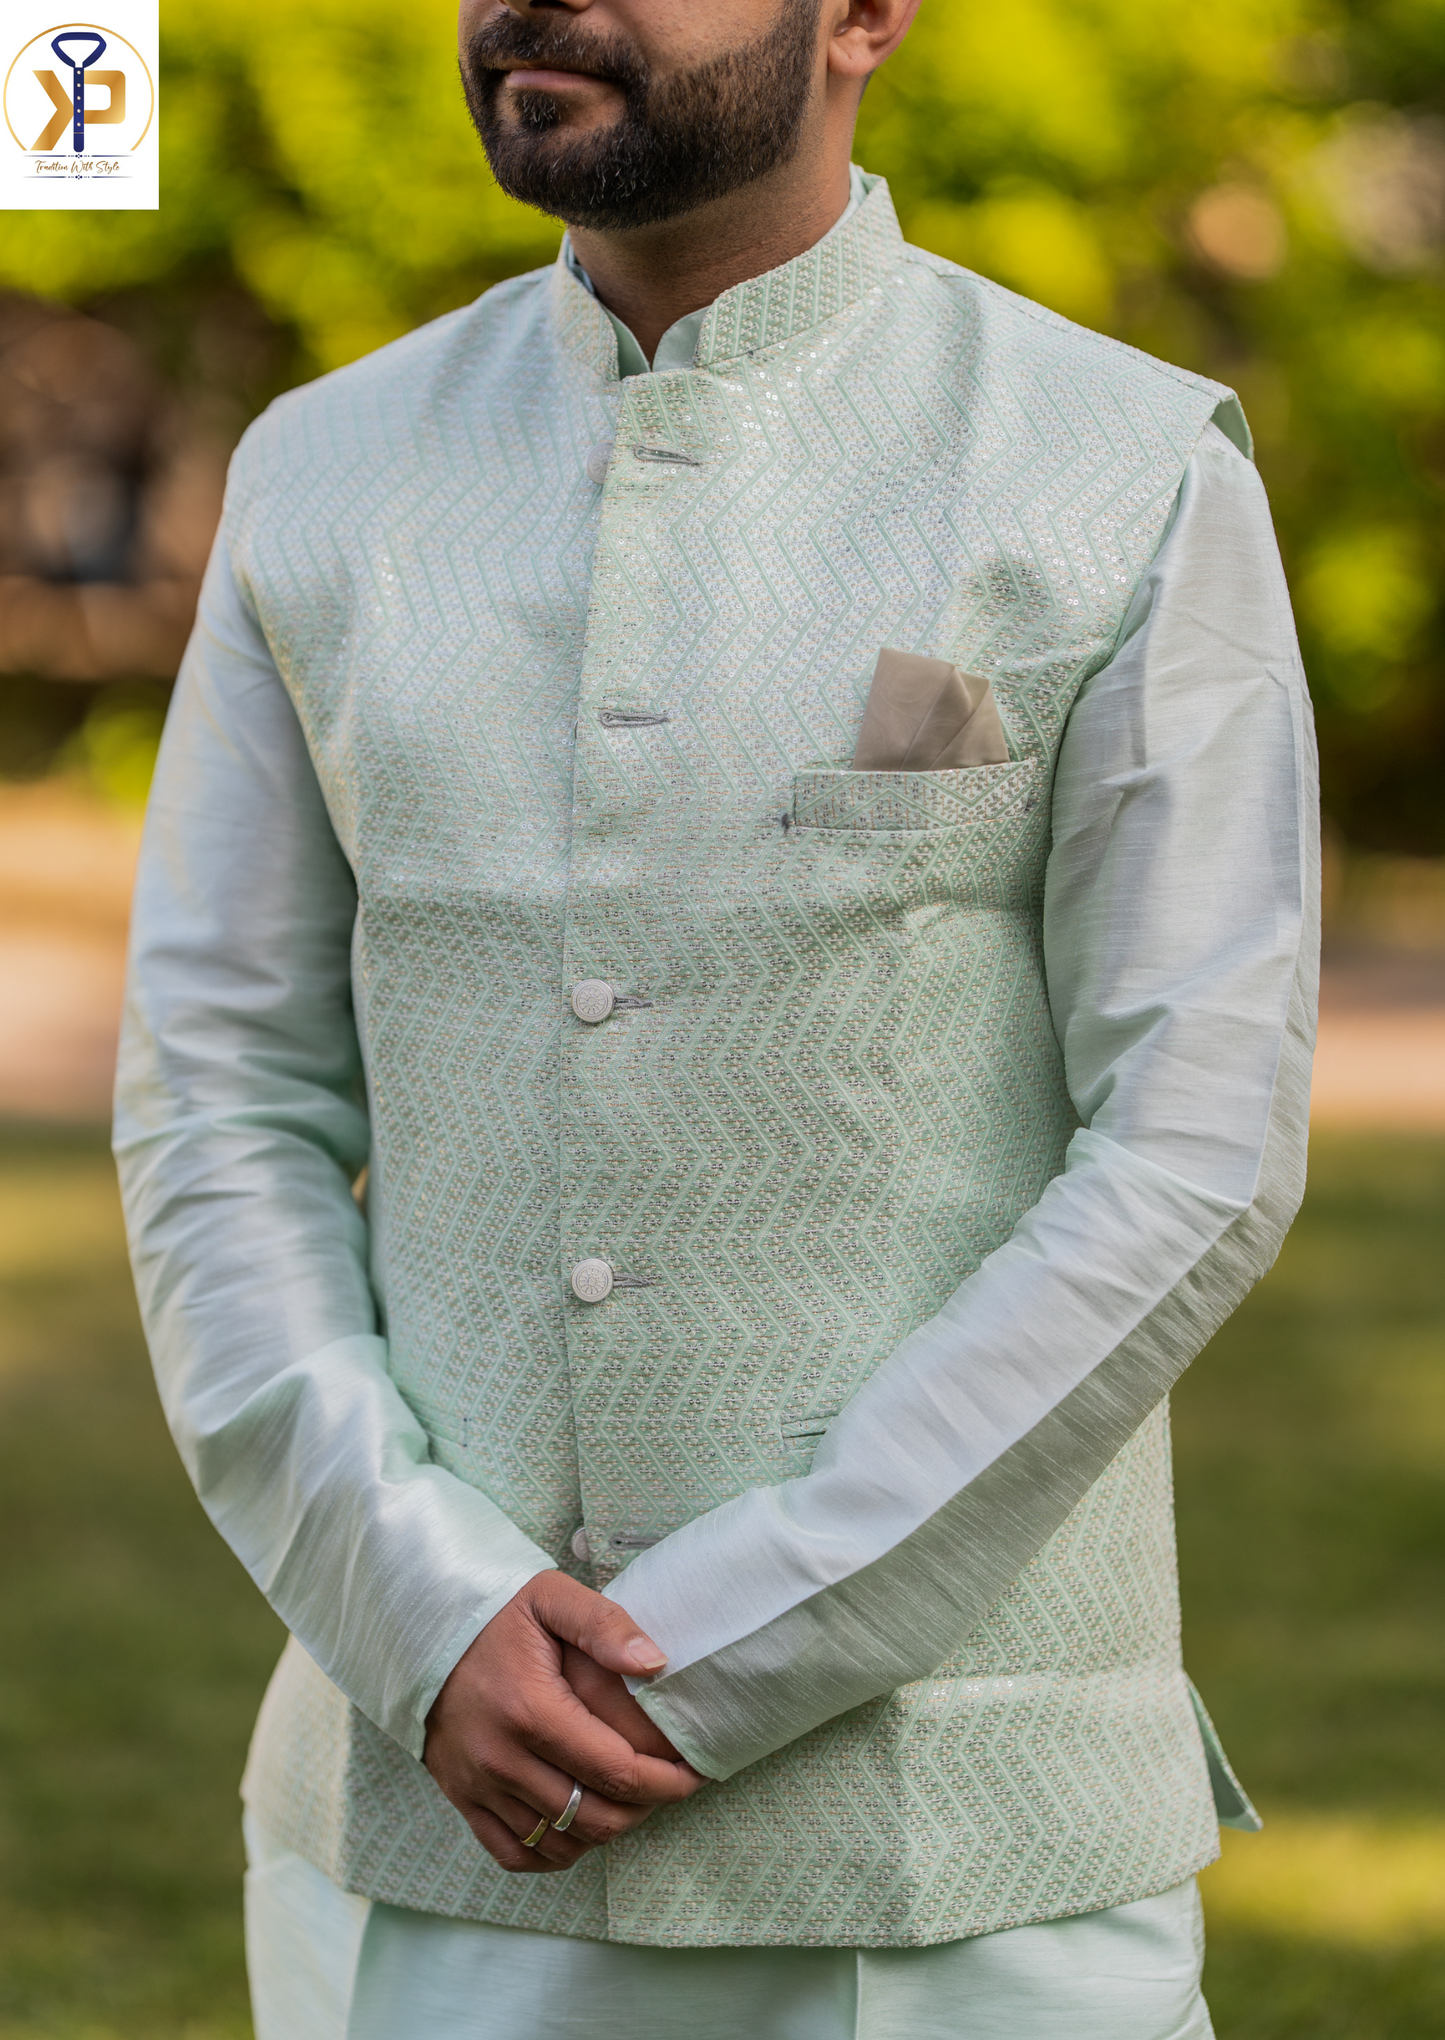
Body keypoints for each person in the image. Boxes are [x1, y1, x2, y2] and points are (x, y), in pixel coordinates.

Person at [114, 0, 1320, 2033]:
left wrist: (723, 1641)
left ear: (864, 15)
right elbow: (220, 1097)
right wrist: (419, 1608)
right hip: (422, 1826)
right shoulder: (318, 475)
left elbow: (1193, 1148)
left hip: (965, 1869)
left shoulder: (1122, 470)